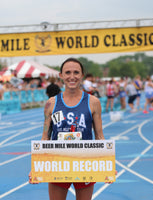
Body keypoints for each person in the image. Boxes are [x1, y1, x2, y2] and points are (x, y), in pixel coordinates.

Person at [29, 58, 106, 200]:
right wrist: (37, 166)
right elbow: (45, 137)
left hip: (85, 162)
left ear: (82, 75)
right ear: (61, 75)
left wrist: (107, 163)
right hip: (58, 162)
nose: (72, 76)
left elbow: (99, 136)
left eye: (76, 72)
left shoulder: (93, 102)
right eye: (68, 72)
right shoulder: (51, 104)